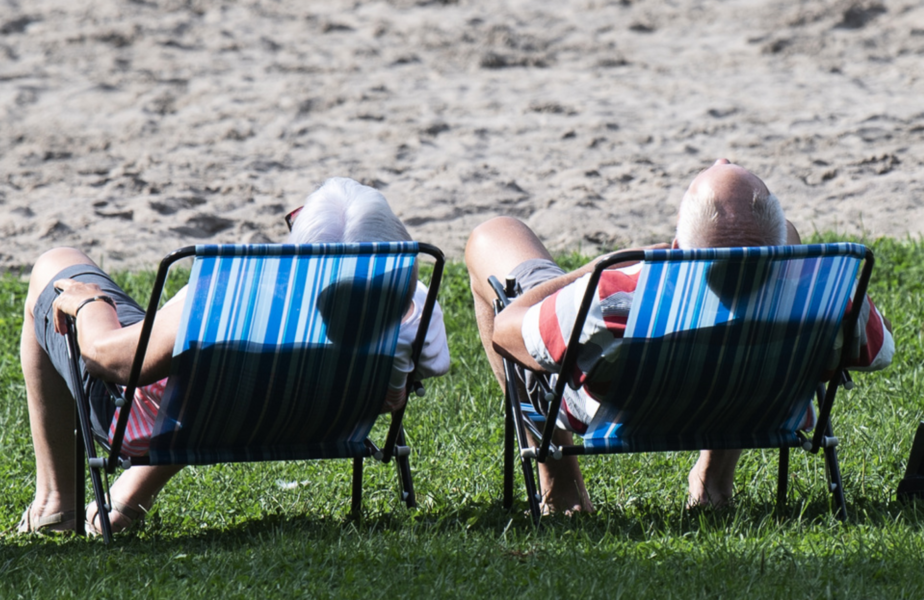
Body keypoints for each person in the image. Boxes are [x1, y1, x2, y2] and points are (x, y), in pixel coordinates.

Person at [17, 177, 449, 535]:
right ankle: (128, 498)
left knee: (55, 266)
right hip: (311, 419)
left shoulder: (226, 298)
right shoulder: (412, 310)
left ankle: (59, 503)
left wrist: (88, 303)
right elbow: (399, 393)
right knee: (216, 377)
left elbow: (114, 362)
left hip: (160, 424)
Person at [465, 159, 894, 514]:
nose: (722, 159)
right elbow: (881, 349)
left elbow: (507, 333)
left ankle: (563, 490)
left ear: (676, 247)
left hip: (619, 408)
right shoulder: (829, 298)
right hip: (759, 407)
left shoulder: (614, 298)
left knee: (494, 235)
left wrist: (592, 270)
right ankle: (714, 483)